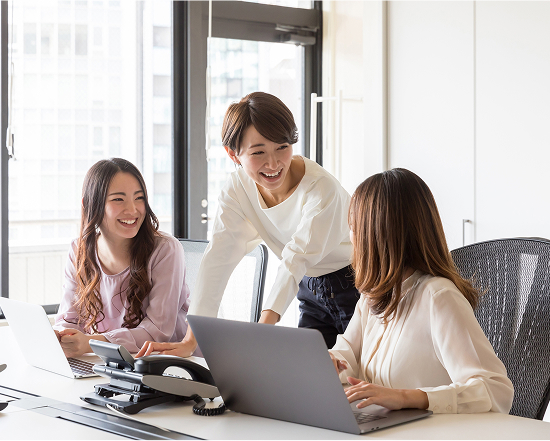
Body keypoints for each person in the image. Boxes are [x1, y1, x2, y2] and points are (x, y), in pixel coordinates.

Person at [137, 91, 359, 358]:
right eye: (258, 152)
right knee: (314, 379)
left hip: (356, 285)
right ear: (233, 154)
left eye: (282, 147)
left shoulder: (321, 189)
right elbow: (216, 261)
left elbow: (296, 258)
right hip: (309, 288)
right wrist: (190, 339)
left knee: (361, 381)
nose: (274, 163)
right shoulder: (237, 190)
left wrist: (260, 332)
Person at [328, 168, 514, 414]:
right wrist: (331, 362)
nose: (350, 238)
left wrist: (407, 397)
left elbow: (495, 390)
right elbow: (348, 354)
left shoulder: (439, 298)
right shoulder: (373, 295)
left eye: (353, 228)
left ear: (378, 235)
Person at [54, 158, 191, 358]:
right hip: (112, 362)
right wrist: (62, 336)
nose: (133, 210)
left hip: (166, 366)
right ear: (90, 204)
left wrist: (90, 343)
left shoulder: (165, 250)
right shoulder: (79, 249)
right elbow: (69, 319)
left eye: (139, 198)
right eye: (119, 199)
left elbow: (157, 332)